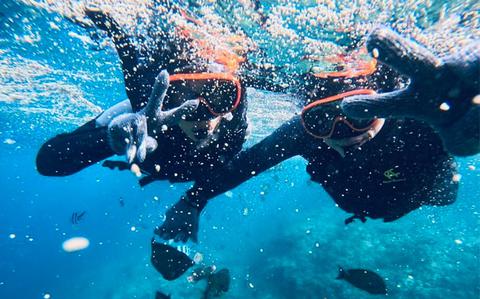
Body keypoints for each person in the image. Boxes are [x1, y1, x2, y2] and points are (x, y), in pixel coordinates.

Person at [156, 27, 460, 243]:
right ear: (307, 117)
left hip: (426, 195)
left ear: (381, 99)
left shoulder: (418, 117)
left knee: (448, 190)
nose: (342, 131)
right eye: (322, 119)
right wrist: (192, 201)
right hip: (359, 201)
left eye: (359, 113)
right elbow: (247, 163)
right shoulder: (302, 134)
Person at [35, 6, 253, 190]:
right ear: (164, 96)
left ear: (233, 99)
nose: (199, 110)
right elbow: (49, 162)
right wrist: (110, 140)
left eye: (217, 93)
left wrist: (194, 200)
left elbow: (224, 172)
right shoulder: (139, 115)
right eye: (180, 94)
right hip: (150, 146)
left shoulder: (235, 127)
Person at [342, 27, 479, 157]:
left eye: (359, 121)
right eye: (322, 122)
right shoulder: (324, 164)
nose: (347, 132)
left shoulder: (420, 129)